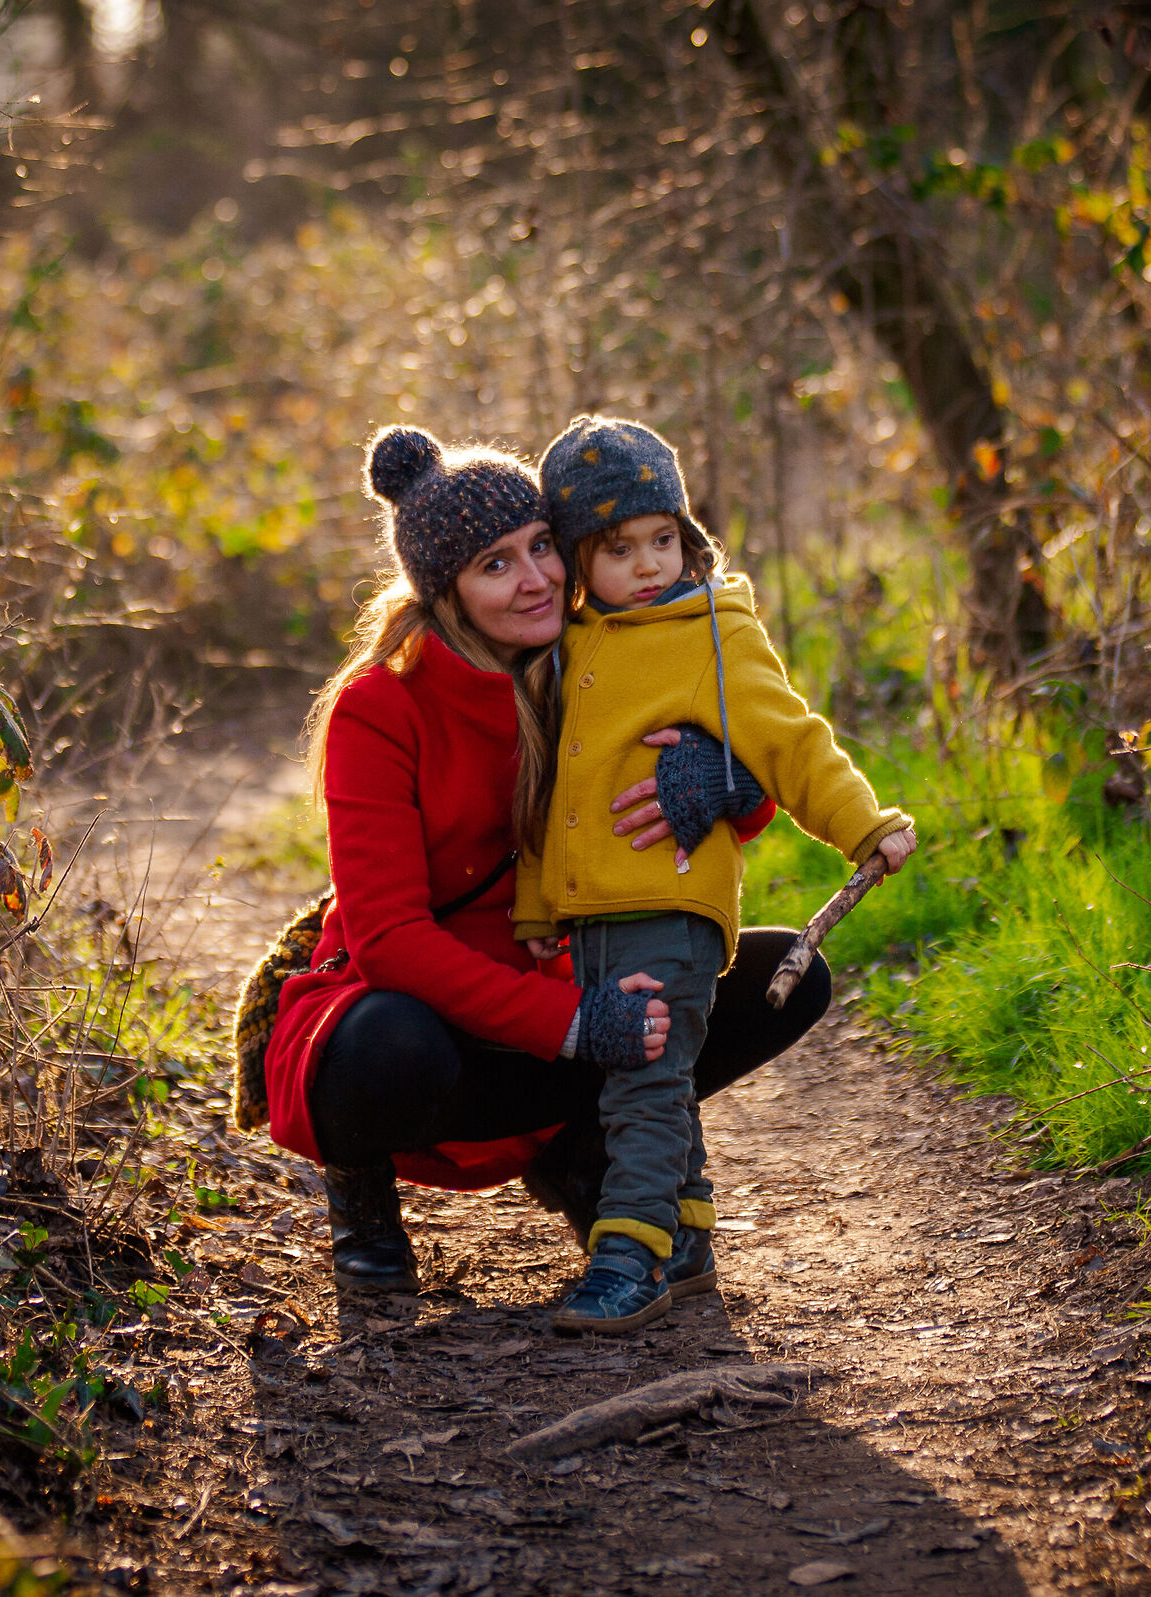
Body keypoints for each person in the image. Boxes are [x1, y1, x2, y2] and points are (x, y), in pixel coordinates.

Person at [259, 423, 829, 1299]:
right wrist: (571, 1023)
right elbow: (390, 940)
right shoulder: (381, 707)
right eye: (495, 564)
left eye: (540, 548)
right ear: (445, 587)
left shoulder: (589, 661)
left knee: (786, 975)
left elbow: (725, 812)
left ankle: (579, 1142)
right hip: (424, 1011)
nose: (535, 579)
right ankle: (361, 1187)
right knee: (391, 1049)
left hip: (570, 982)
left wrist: (725, 782)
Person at [512, 415, 918, 1333]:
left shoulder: (714, 632)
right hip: (590, 917)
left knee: (644, 1084)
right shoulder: (569, 651)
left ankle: (633, 1257)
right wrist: (537, 903)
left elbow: (792, 741)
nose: (649, 564)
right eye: (619, 549)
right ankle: (688, 1243)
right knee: (654, 1071)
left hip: (675, 903)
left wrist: (867, 825)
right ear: (579, 561)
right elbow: (551, 792)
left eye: (664, 539)